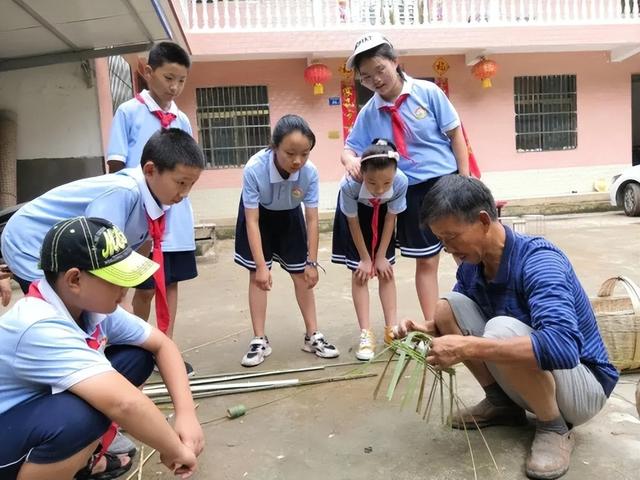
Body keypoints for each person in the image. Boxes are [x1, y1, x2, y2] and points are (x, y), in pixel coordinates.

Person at [398, 175, 618, 480]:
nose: (447, 248)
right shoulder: (472, 265)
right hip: (539, 375)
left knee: (501, 329)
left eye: (451, 237)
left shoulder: (540, 262)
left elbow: (563, 348)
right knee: (447, 307)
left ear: (484, 221)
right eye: (441, 240)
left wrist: (469, 347)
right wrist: (422, 330)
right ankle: (502, 405)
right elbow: (460, 321)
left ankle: (553, 426)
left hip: (583, 388)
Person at [0, 217, 204, 480]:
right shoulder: (37, 325)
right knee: (80, 418)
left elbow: (162, 344)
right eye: (115, 279)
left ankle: (79, 462)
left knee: (137, 357)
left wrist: (186, 415)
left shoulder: (89, 305)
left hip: (30, 416)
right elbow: (124, 403)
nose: (125, 288)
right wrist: (174, 449)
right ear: (74, 279)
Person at [341, 32, 469, 330]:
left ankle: (478, 311)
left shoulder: (428, 92)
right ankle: (434, 326)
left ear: (395, 62)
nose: (375, 79)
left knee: (466, 251)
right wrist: (349, 160)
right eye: (366, 76)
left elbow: (455, 134)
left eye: (380, 69)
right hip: (409, 192)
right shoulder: (368, 113)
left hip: (446, 183)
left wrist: (465, 179)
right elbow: (349, 147)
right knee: (426, 261)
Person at [107, 42, 197, 373]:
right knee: (142, 287)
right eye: (168, 77)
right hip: (141, 218)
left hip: (174, 217)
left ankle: (164, 351)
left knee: (169, 284)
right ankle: (132, 349)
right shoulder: (129, 112)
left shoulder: (181, 119)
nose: (174, 87)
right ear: (148, 72)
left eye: (181, 81)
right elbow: (115, 163)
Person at [234, 114, 340, 367]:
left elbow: (312, 219)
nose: (297, 160)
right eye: (290, 153)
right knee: (257, 277)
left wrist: (312, 262)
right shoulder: (254, 168)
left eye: (305, 153)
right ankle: (259, 339)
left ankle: (312, 335)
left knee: (302, 276)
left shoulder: (309, 173)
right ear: (274, 147)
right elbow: (251, 220)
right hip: (258, 217)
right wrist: (261, 266)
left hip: (290, 214)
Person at [331, 139, 408, 360]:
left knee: (387, 271)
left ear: (395, 174)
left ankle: (392, 331)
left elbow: (391, 218)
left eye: (386, 182)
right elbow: (353, 222)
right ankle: (365, 333)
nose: (380, 189)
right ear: (362, 172)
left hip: (384, 217)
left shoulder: (401, 182)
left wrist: (382, 256)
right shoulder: (350, 185)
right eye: (372, 182)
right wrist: (365, 259)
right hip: (358, 219)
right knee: (360, 274)